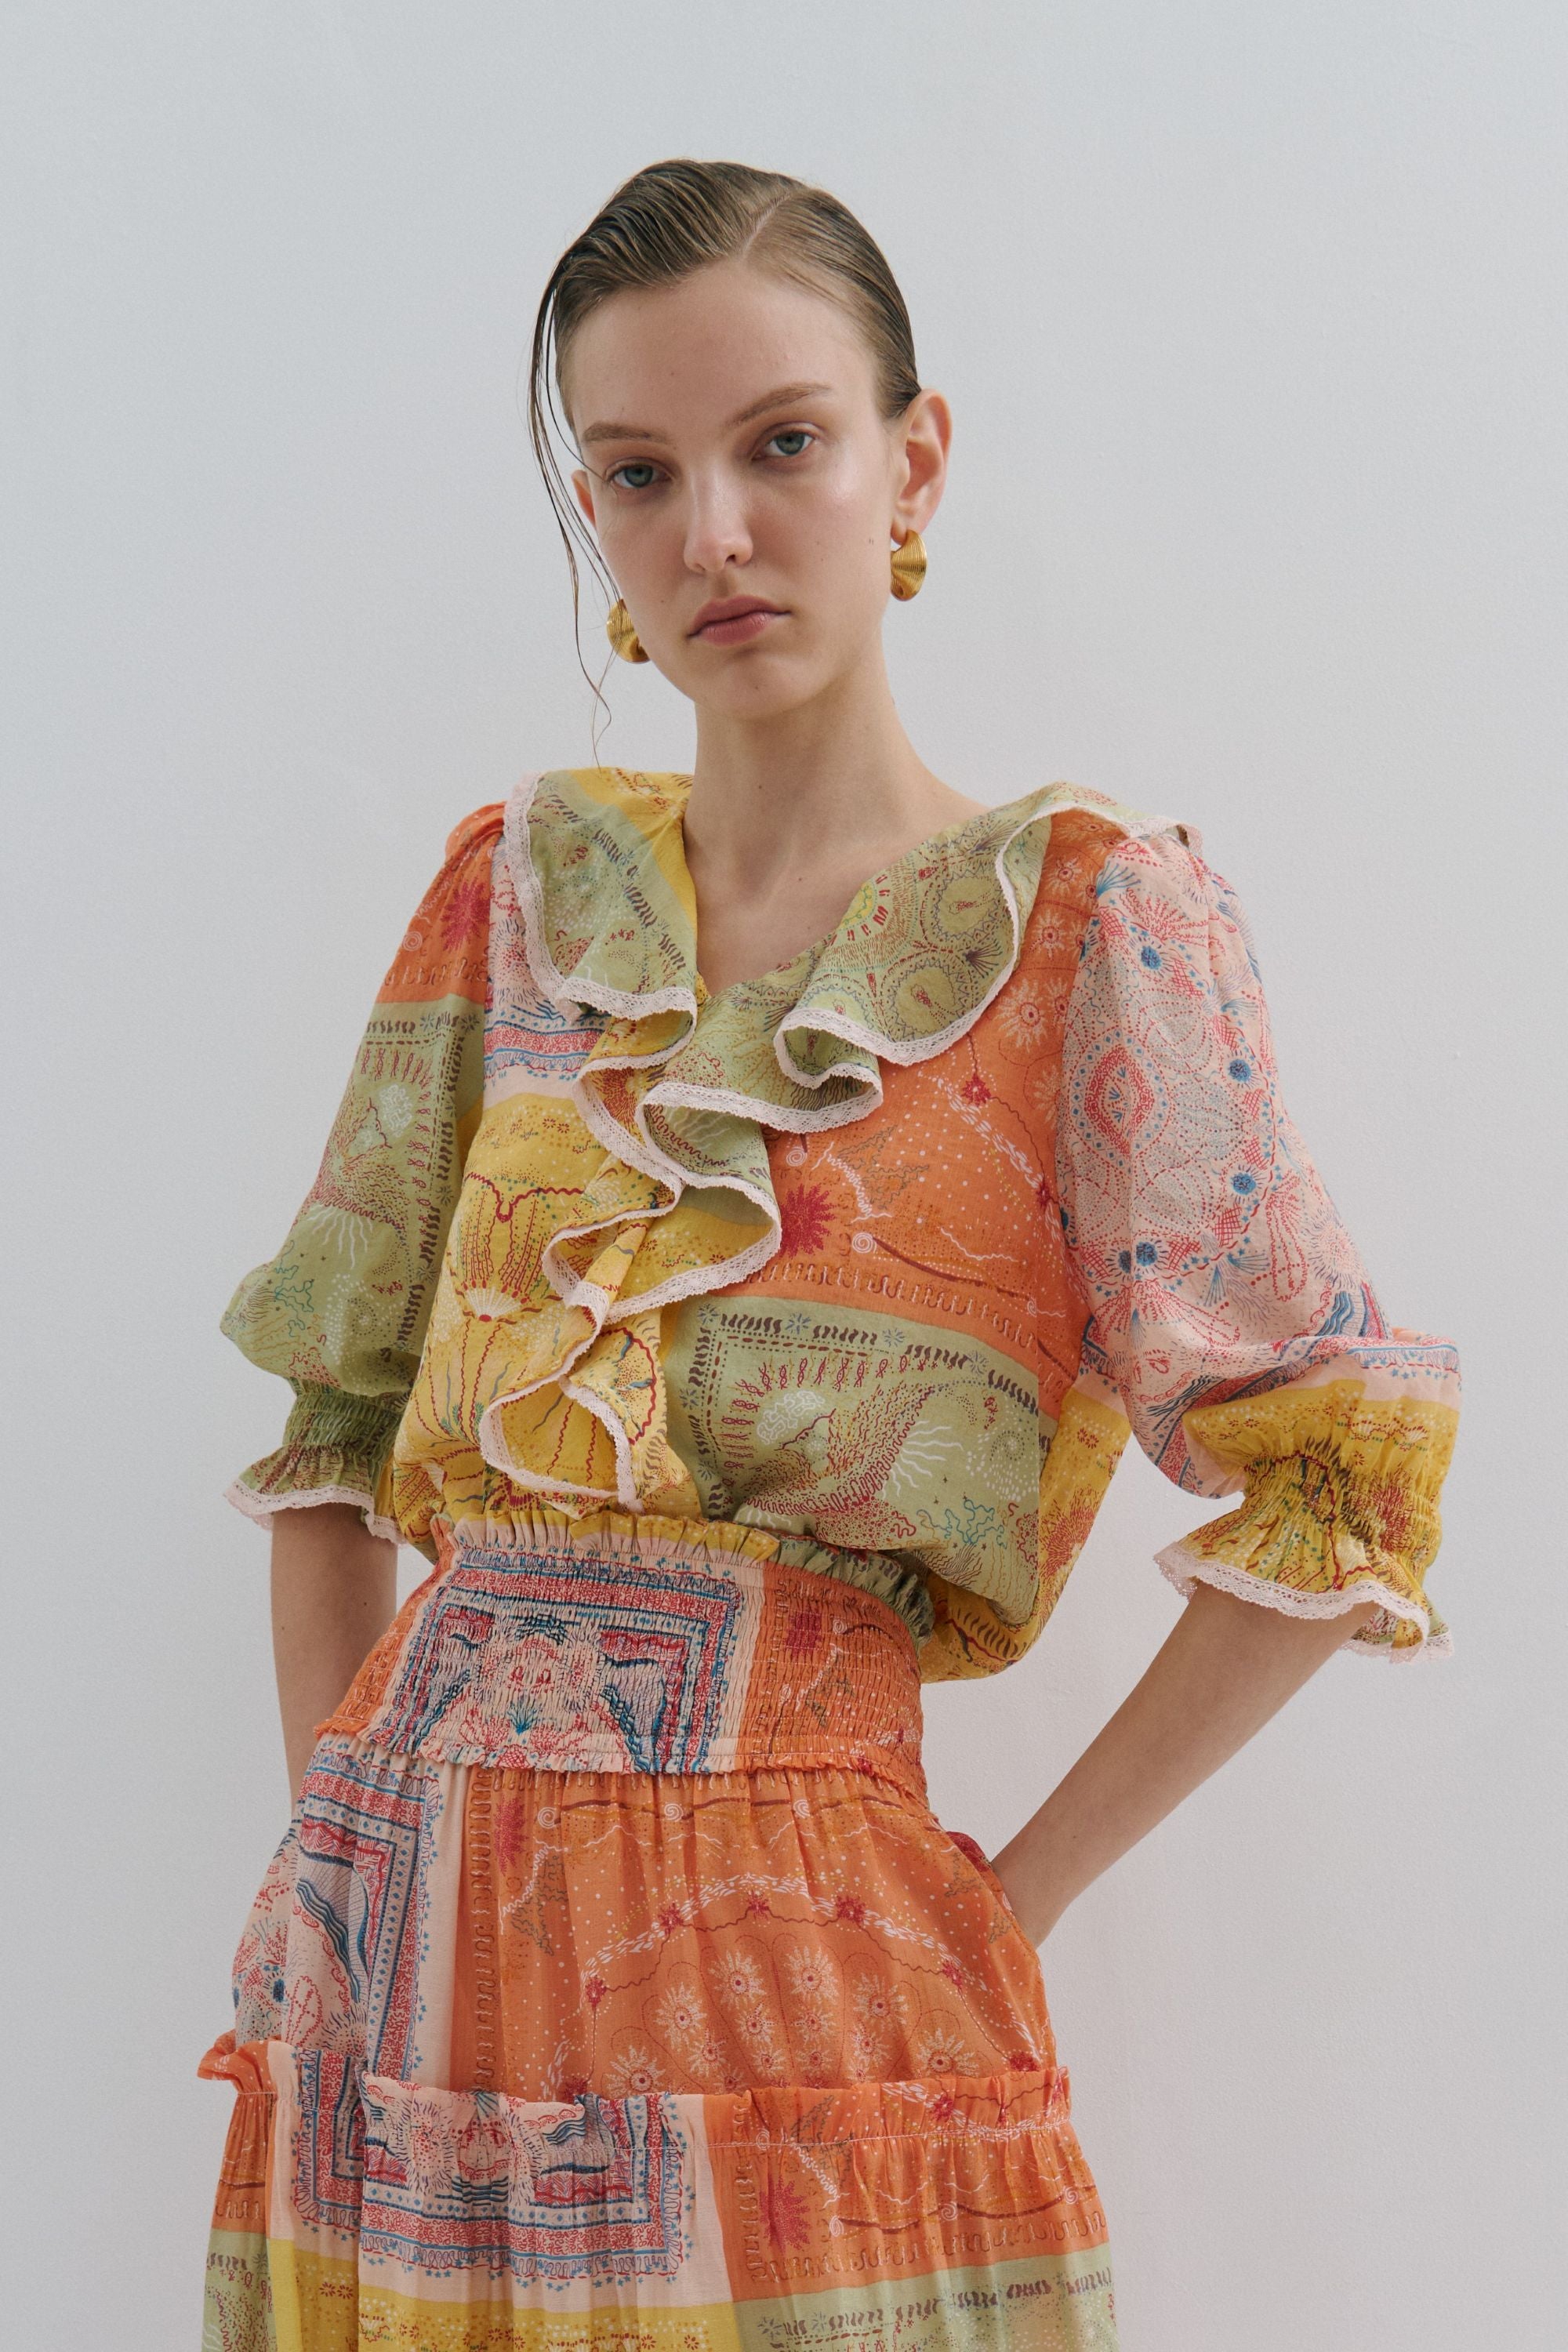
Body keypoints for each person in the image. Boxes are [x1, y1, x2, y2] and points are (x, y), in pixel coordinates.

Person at [195, 158, 1460, 2348]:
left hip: (816, 1988)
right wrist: (340, 1851)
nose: (714, 532)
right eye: (638, 471)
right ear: (592, 514)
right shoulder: (510, 899)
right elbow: (331, 1429)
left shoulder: (1090, 928)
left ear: (913, 461)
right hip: (389, 1993)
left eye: (782, 442)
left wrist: (1005, 1912)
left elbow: (1338, 1475)